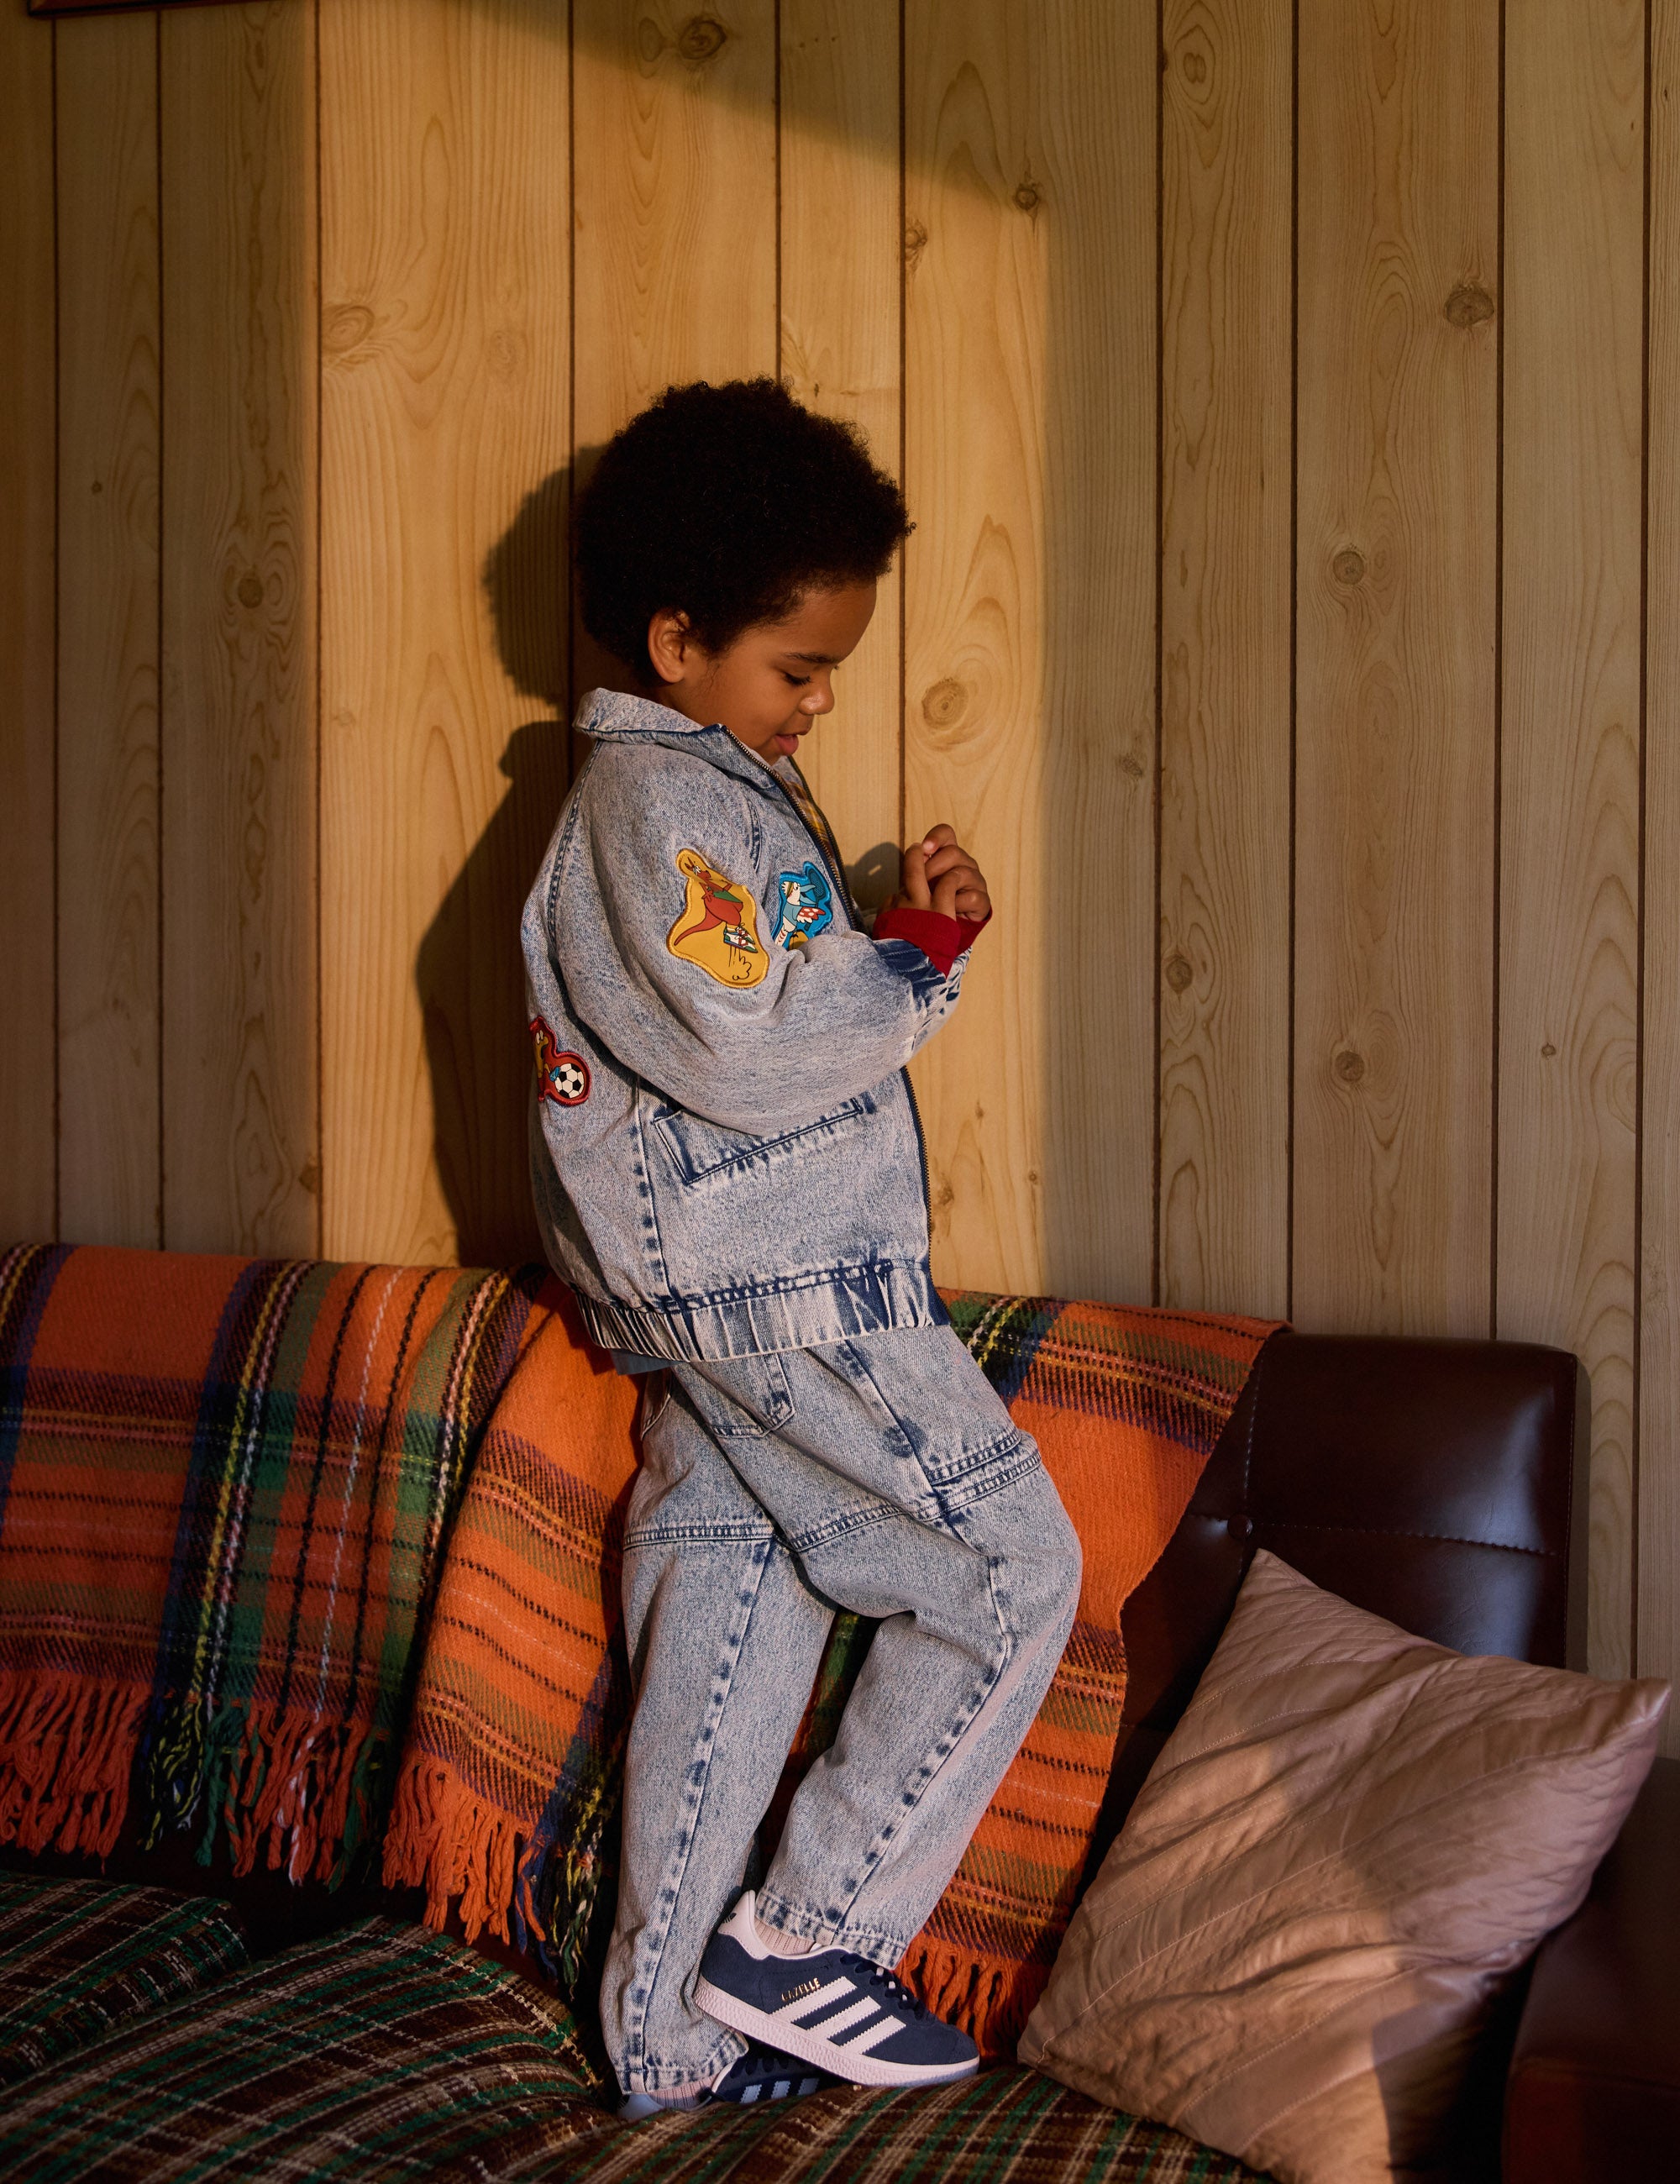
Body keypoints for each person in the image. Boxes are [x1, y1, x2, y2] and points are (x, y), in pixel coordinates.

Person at [521, 379, 1083, 2118]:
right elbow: (750, 1041)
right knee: (1007, 1572)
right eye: (796, 665)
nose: (823, 694)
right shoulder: (652, 805)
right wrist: (911, 950)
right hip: (777, 1281)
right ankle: (807, 1931)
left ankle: (673, 2044)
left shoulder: (703, 797)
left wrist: (874, 908)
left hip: (701, 1302)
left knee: (731, 1615)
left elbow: (730, 989)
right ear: (675, 642)